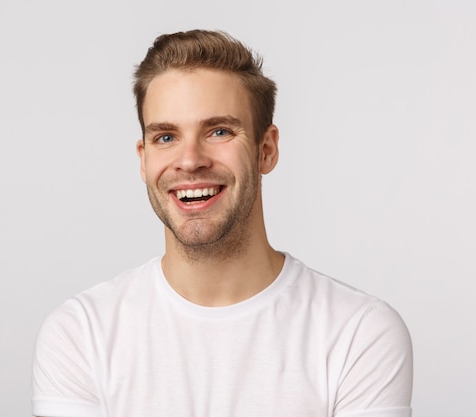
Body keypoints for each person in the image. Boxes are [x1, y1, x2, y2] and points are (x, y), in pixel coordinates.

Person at [31, 29, 413, 417]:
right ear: (143, 160)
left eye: (219, 131)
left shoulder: (358, 332)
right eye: (166, 137)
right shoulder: (81, 334)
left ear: (266, 150)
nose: (190, 159)